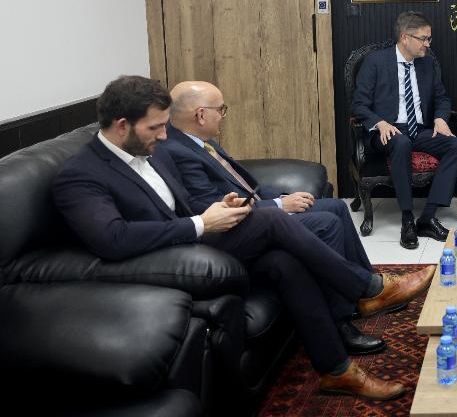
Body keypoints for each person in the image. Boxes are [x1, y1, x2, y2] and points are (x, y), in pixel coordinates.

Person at [52, 75, 436, 401]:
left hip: (193, 239)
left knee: (284, 263)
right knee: (272, 222)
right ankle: (369, 288)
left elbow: (185, 202)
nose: (165, 135)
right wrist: (201, 223)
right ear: (122, 125)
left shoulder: (151, 151)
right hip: (168, 260)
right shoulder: (81, 174)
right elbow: (114, 239)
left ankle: (337, 370)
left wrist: (221, 206)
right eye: (156, 128)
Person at [159, 80, 388, 355]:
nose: (223, 115)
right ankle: (341, 323)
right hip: (236, 227)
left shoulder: (201, 142)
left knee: (336, 207)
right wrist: (279, 205)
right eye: (221, 109)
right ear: (200, 115)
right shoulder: (178, 151)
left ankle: (368, 291)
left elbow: (245, 183)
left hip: (256, 209)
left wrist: (282, 196)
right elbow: (212, 207)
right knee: (326, 224)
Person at [351, 11, 457, 249]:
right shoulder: (376, 62)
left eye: (429, 39)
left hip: (420, 130)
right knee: (401, 142)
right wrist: (379, 122)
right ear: (405, 38)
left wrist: (440, 118)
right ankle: (407, 219)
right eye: (423, 39)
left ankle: (427, 217)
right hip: (387, 132)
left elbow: (442, 98)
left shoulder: (426, 64)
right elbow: (359, 104)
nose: (428, 44)